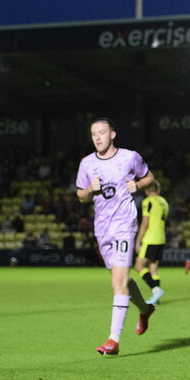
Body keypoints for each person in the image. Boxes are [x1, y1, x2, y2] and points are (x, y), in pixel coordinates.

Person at [75, 117, 157, 356]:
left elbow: (149, 177)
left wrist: (138, 185)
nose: (98, 137)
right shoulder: (87, 163)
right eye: (93, 134)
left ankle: (113, 340)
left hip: (124, 224)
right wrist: (90, 190)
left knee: (117, 283)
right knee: (122, 280)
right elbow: (80, 195)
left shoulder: (129, 157)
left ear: (113, 134)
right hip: (102, 228)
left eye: (102, 132)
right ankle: (145, 309)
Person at [135, 179, 170, 305]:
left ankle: (156, 291)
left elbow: (145, 223)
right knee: (153, 267)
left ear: (146, 190)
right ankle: (156, 299)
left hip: (150, 238)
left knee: (139, 266)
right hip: (161, 238)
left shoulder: (148, 201)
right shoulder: (164, 202)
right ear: (158, 190)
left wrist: (138, 240)